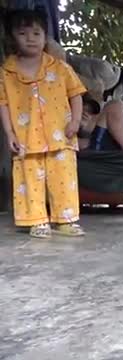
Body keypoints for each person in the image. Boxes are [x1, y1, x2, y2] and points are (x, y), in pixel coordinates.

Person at [0, 9, 85, 238]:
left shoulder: (60, 68)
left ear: (45, 36)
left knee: (64, 179)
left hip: (61, 136)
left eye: (36, 33)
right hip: (26, 139)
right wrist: (9, 134)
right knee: (28, 179)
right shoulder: (6, 73)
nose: (30, 38)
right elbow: (4, 104)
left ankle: (66, 220)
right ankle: (36, 221)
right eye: (23, 33)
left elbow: (76, 94)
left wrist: (75, 121)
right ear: (12, 38)